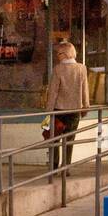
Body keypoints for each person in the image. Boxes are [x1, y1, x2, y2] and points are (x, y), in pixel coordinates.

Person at [45, 41, 89, 171]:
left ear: (65, 54)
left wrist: (48, 110)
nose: (57, 56)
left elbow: (53, 91)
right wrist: (86, 105)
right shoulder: (82, 68)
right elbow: (85, 89)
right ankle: (66, 166)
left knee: (54, 139)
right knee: (69, 140)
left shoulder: (58, 69)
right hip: (75, 110)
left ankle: (54, 167)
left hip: (58, 110)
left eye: (58, 53)